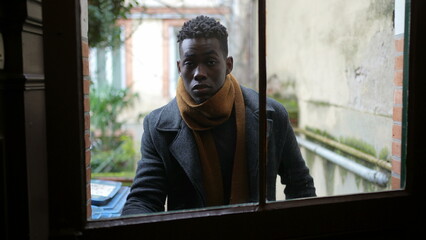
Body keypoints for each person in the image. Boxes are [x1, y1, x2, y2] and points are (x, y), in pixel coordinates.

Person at [122, 15, 315, 215]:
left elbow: (300, 187)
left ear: (228, 65)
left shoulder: (272, 115)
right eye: (190, 63)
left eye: (210, 62)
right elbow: (144, 198)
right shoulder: (158, 126)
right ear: (180, 67)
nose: (199, 73)